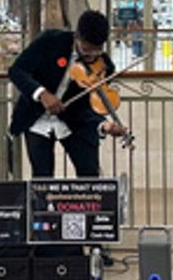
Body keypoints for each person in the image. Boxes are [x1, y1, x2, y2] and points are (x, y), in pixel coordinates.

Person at [7, 9, 129, 179]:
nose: (92, 56)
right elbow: (17, 70)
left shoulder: (104, 67)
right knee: (42, 178)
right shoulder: (50, 41)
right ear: (77, 37)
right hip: (37, 117)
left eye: (98, 49)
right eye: (87, 49)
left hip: (74, 122)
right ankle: (43, 205)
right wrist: (42, 93)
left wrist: (103, 125)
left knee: (89, 175)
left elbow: (85, 107)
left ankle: (87, 205)